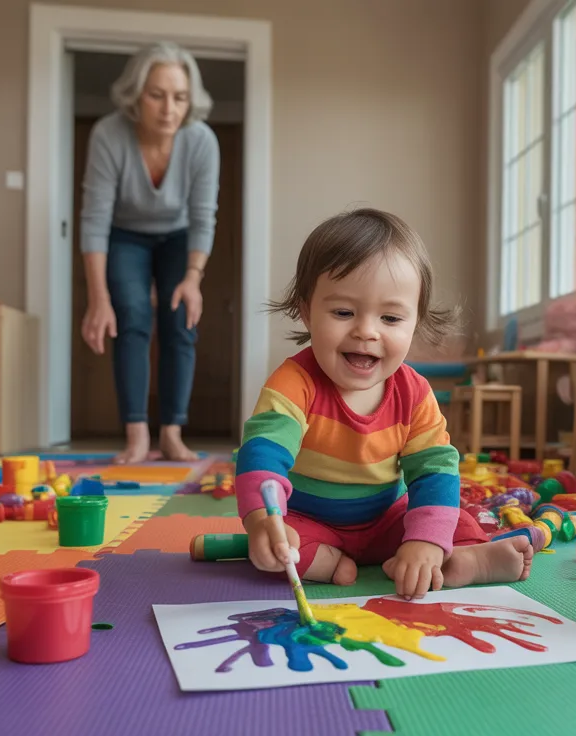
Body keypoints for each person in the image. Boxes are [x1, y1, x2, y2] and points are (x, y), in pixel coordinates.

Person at [234, 208, 534, 600]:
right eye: (343, 312)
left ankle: (464, 560)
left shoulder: (414, 393)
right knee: (276, 549)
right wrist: (263, 520)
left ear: (415, 322)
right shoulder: (294, 383)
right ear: (307, 312)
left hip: (388, 522)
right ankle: (328, 562)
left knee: (450, 521)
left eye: (391, 318)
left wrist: (424, 541)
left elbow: (434, 470)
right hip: (311, 522)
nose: (366, 331)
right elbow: (264, 453)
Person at [78, 42, 220, 463]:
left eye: (180, 97)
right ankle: (137, 434)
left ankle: (172, 432)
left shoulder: (202, 141)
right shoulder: (108, 135)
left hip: (179, 236)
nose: (169, 109)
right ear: (136, 94)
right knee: (132, 317)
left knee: (181, 322)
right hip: (125, 235)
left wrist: (193, 278)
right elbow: (95, 219)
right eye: (157, 95)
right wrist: (98, 299)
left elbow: (203, 216)